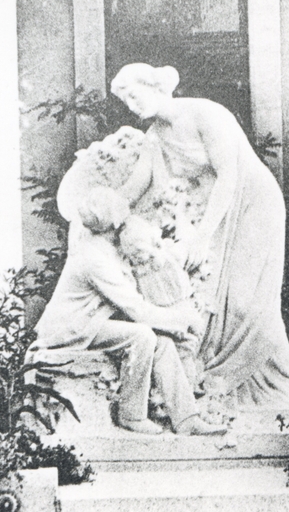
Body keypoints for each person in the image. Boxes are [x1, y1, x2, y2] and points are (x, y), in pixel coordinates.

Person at [110, 63, 289, 408]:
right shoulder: (155, 137)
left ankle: (272, 384)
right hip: (218, 212)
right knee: (214, 296)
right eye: (124, 100)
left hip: (253, 205)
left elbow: (230, 175)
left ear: (155, 86)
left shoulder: (206, 114)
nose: (131, 105)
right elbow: (135, 189)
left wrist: (200, 237)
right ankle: (225, 386)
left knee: (247, 300)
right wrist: (98, 211)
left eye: (133, 94)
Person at [30, 186, 225, 436]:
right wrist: (182, 320)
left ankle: (187, 419)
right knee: (142, 336)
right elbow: (137, 310)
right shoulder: (95, 258)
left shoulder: (108, 249)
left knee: (162, 342)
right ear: (113, 221)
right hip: (71, 329)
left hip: (90, 323)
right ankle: (131, 415)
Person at [118, 214, 201, 389]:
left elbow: (189, 247)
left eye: (144, 256)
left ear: (154, 243)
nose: (141, 262)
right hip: (159, 318)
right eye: (135, 258)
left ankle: (189, 390)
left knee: (187, 348)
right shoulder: (134, 272)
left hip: (181, 310)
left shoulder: (171, 254)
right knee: (166, 353)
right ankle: (168, 393)